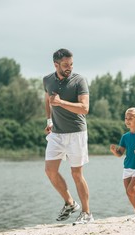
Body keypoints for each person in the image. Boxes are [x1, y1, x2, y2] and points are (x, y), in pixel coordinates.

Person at [43, 48, 93, 225]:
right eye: (65, 65)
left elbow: (84, 108)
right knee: (50, 170)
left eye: (71, 64)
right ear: (56, 64)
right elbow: (47, 100)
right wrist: (49, 120)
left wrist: (61, 103)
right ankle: (71, 203)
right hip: (56, 133)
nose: (69, 68)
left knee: (76, 174)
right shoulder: (47, 80)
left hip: (76, 133)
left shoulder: (79, 80)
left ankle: (87, 213)